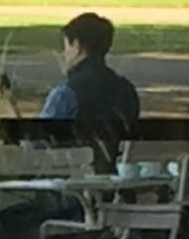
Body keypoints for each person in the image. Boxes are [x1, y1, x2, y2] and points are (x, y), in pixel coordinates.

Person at [36, 9, 142, 167]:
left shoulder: (65, 95)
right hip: (116, 178)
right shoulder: (126, 89)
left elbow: (36, 146)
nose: (64, 54)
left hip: (71, 180)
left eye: (66, 47)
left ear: (77, 46)